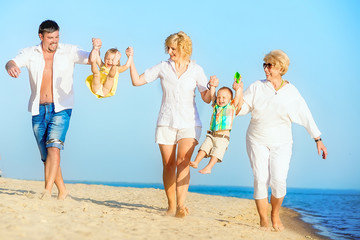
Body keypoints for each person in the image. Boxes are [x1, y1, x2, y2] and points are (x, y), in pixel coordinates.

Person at [128, 31, 217, 217]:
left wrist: (213, 88)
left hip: (190, 123)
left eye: (173, 48)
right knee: (168, 165)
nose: (169, 51)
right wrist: (131, 60)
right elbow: (137, 82)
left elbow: (207, 98)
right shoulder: (163, 67)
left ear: (184, 49)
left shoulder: (196, 70)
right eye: (168, 47)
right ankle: (171, 206)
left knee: (182, 161)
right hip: (166, 122)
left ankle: (181, 206)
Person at [237, 49, 328, 231]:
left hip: (282, 142)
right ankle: (263, 220)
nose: (266, 69)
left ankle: (275, 215)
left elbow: (305, 115)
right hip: (257, 139)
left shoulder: (291, 92)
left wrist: (317, 139)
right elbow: (240, 110)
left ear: (280, 68)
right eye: (265, 65)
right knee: (260, 178)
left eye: (269, 66)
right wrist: (238, 92)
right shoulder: (256, 86)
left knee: (278, 181)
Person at [5, 20, 92, 200]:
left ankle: (47, 191)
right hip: (38, 110)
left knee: (54, 148)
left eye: (57, 37)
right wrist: (11, 66)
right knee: (47, 156)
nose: (55, 41)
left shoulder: (69, 51)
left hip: (61, 108)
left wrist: (98, 50)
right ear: (41, 36)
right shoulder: (31, 53)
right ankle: (63, 191)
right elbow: (12, 61)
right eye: (51, 37)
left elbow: (91, 58)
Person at [190, 79, 243, 174]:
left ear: (230, 100)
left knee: (216, 152)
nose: (220, 100)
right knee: (204, 148)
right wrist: (213, 86)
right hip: (211, 134)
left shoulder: (231, 107)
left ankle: (209, 167)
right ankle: (196, 162)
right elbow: (212, 95)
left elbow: (238, 98)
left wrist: (237, 88)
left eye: (224, 98)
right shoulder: (216, 106)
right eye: (219, 97)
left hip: (223, 137)